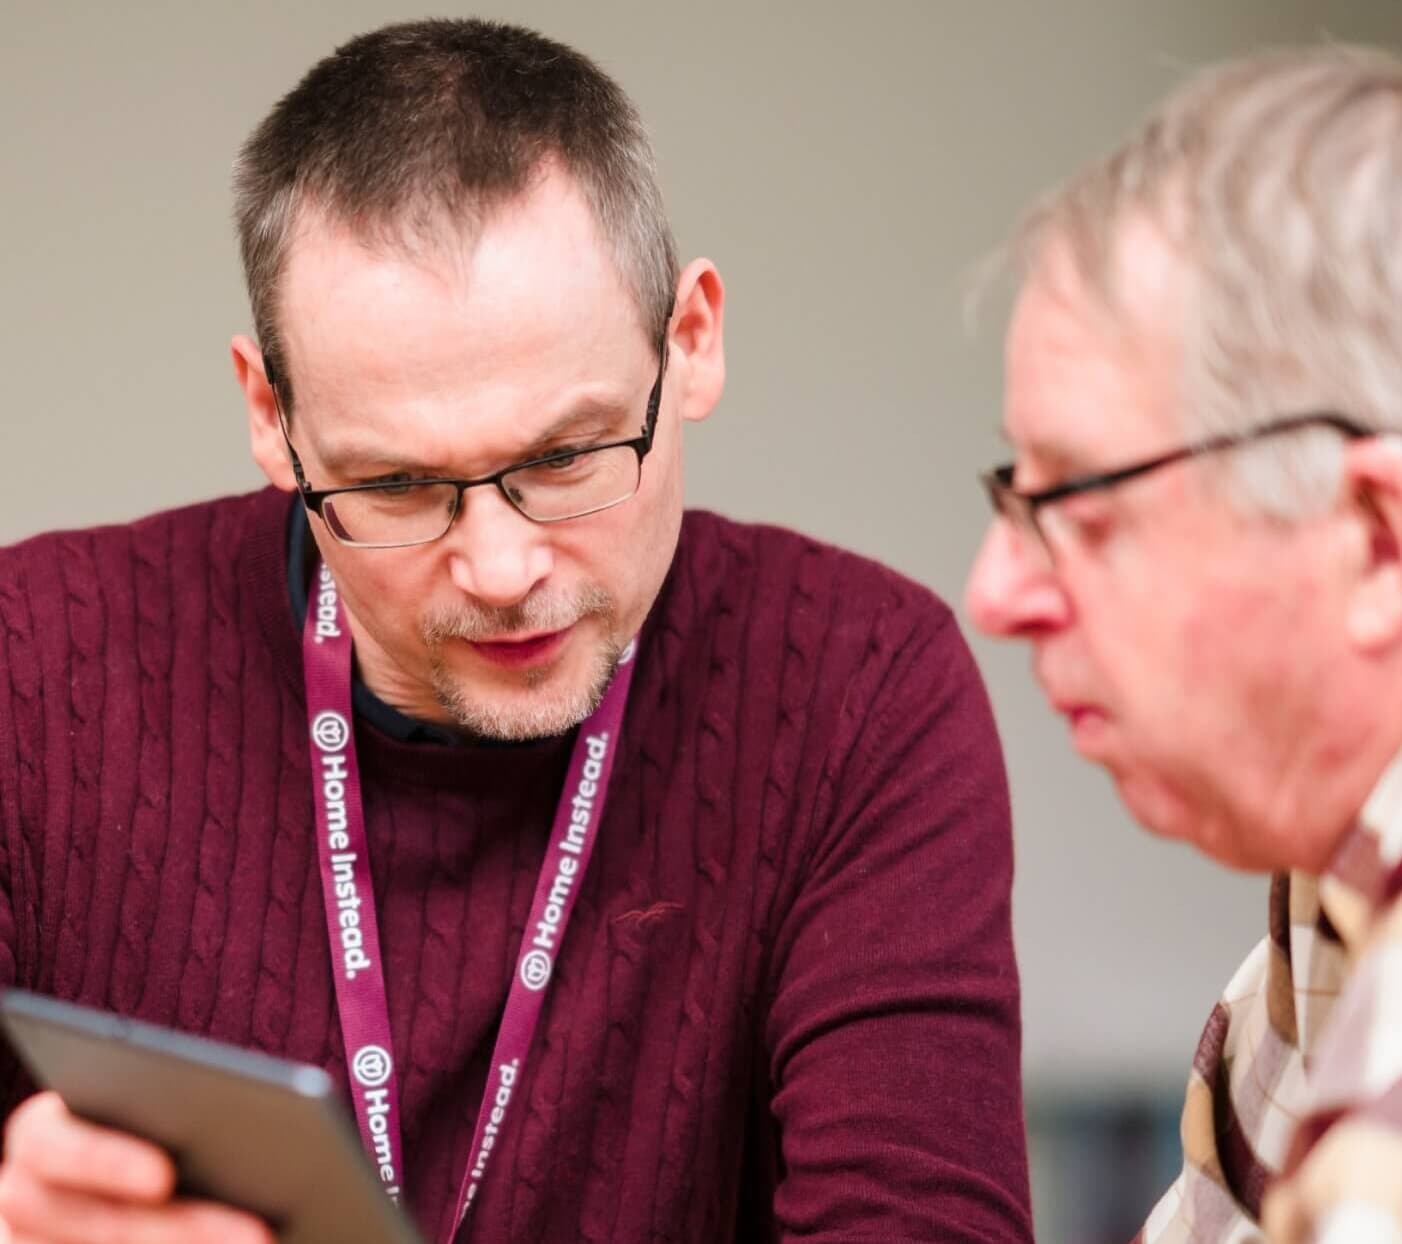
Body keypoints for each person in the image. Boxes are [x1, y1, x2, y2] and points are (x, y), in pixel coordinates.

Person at [0, 18, 1031, 1243]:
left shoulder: (859, 688)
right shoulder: (28, 666)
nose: (500, 568)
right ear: (271, 418)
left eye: (566, 458)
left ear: (690, 341)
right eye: (393, 487)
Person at [966, 43, 1402, 1244]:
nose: (993, 591)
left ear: (1376, 541)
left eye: (1077, 505)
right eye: (1016, 496)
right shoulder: (1314, 935)